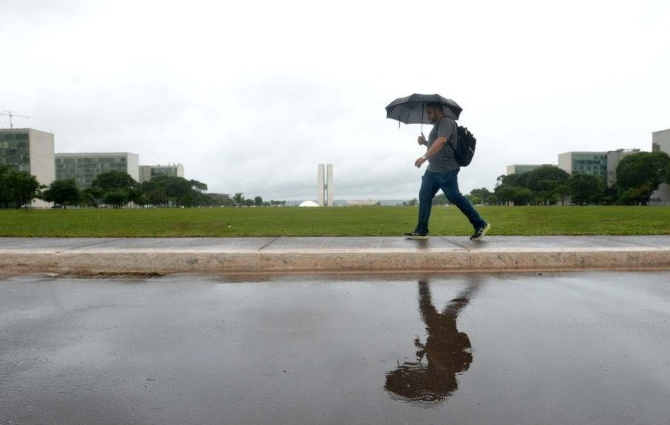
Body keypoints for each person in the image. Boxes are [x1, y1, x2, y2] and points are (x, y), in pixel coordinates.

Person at [404, 102, 490, 240]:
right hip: (432, 171)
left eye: (430, 112)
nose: (428, 115)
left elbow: (442, 141)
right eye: (427, 112)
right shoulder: (438, 124)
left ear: (438, 110)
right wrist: (425, 142)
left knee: (454, 197)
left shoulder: (447, 122)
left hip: (446, 170)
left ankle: (480, 224)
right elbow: (437, 145)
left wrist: (423, 157)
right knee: (424, 196)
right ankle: (421, 230)